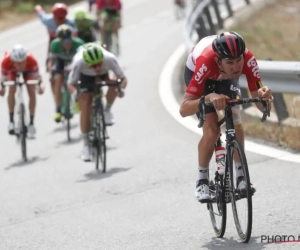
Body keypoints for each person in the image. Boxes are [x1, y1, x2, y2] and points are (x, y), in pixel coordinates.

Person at [179, 31, 274, 203]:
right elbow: (184, 109)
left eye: (239, 61)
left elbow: (259, 104)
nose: (236, 67)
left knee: (235, 115)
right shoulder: (206, 61)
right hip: (202, 76)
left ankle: (240, 177)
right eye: (230, 62)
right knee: (212, 130)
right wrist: (208, 98)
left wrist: (265, 98)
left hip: (225, 79)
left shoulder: (248, 59)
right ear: (218, 60)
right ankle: (202, 180)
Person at [67, 43, 127, 161]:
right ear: (87, 63)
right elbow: (70, 84)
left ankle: (107, 110)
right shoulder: (79, 62)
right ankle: (86, 145)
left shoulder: (109, 58)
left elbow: (123, 78)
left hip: (105, 74)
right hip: (85, 76)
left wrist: (121, 89)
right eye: (93, 66)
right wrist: (75, 94)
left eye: (99, 64)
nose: (97, 68)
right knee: (86, 102)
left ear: (102, 60)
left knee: (115, 82)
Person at [0, 45, 45, 139]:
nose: (20, 65)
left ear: (26, 59)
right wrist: (2, 89)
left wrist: (41, 86)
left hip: (28, 71)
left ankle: (31, 123)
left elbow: (38, 78)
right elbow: (2, 80)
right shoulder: (5, 62)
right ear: (12, 61)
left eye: (22, 62)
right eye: (17, 63)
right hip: (11, 72)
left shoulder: (32, 60)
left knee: (32, 89)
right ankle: (11, 121)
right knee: (11, 87)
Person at [48, 24, 85, 123]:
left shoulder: (79, 43)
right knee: (57, 79)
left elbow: (83, 61)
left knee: (78, 78)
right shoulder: (55, 44)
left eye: (68, 39)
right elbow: (51, 61)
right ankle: (58, 108)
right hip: (61, 62)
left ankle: (77, 98)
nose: (66, 42)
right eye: (63, 40)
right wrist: (51, 73)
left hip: (75, 61)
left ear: (72, 37)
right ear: (59, 40)